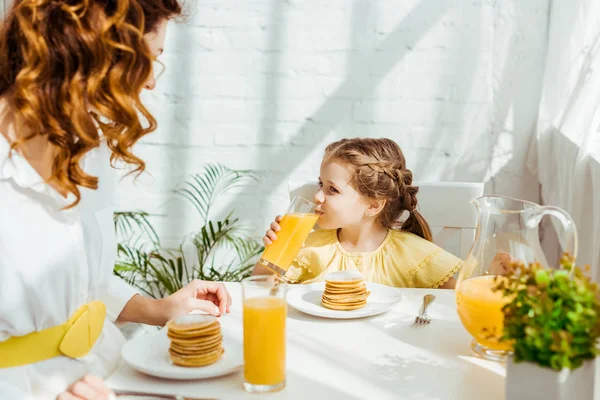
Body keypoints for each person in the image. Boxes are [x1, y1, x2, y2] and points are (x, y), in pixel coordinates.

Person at [0, 1, 231, 398]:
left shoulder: (88, 145)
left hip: (108, 371)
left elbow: (82, 286)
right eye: (152, 59)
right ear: (102, 47)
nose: (152, 84)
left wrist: (157, 309)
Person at [254, 137, 463, 288]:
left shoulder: (410, 253)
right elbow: (261, 288)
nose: (317, 196)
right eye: (321, 184)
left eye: (332, 189)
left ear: (373, 206)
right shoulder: (309, 247)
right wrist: (274, 254)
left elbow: (456, 298)